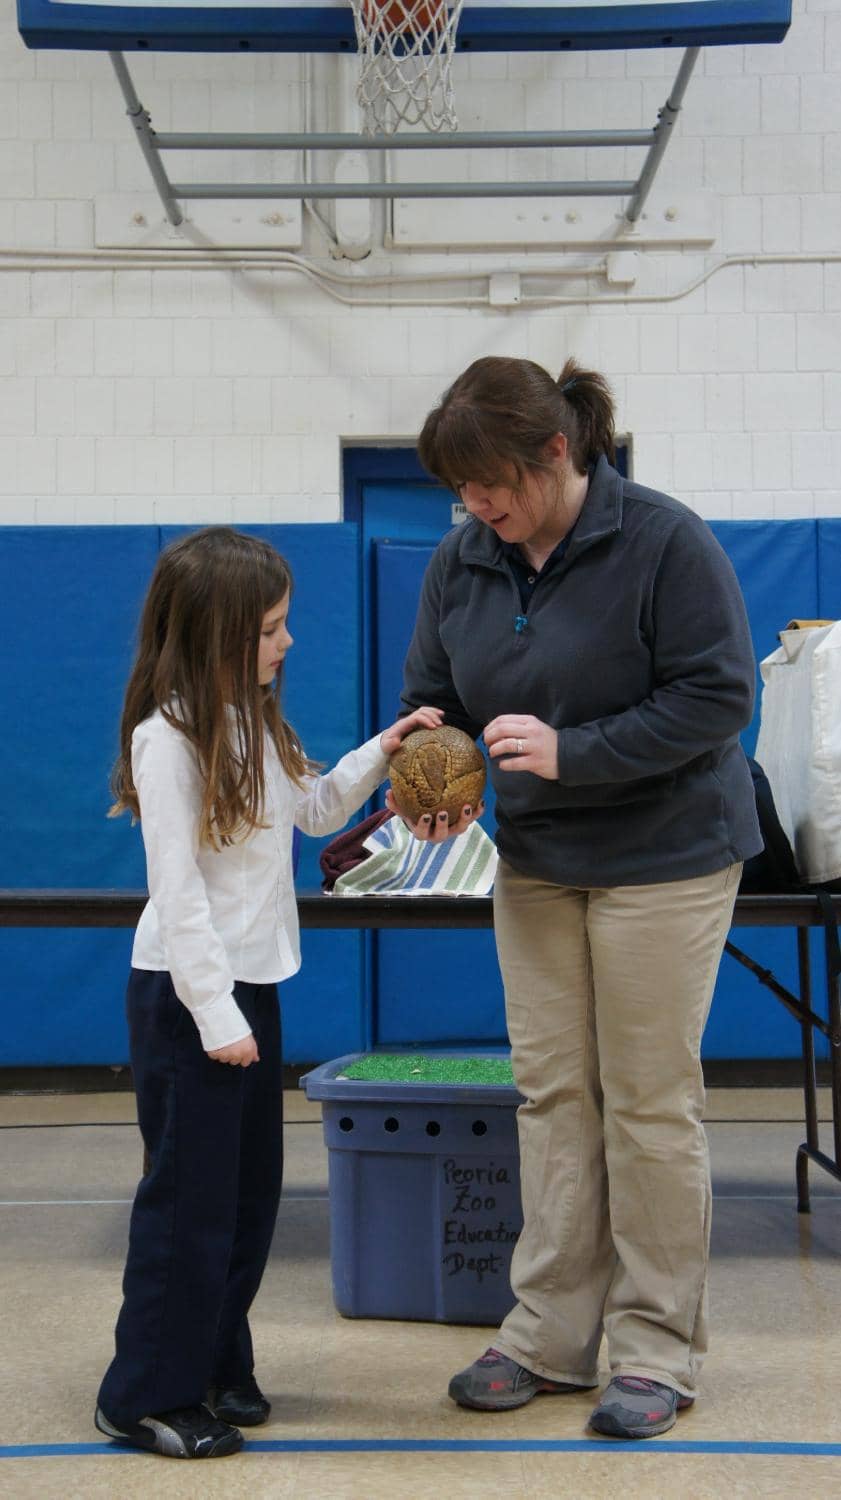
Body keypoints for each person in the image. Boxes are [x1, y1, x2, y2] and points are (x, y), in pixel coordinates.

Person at [398, 355, 762, 1440]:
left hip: (666, 853)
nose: (475, 508)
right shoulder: (462, 560)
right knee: (554, 1098)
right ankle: (548, 1334)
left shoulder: (660, 539)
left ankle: (655, 1350)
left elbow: (717, 695)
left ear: (554, 451)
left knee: (646, 1102)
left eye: (488, 484)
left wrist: (574, 752)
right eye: (459, 492)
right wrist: (437, 766)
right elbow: (435, 697)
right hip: (539, 861)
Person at [95, 526, 446, 1460]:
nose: (286, 643)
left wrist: (388, 744)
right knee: (189, 1204)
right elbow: (177, 894)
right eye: (270, 628)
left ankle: (215, 1363)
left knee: (250, 1199)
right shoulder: (165, 739)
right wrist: (215, 1017)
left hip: (248, 992)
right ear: (215, 634)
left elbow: (318, 808)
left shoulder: (253, 721)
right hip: (188, 997)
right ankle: (145, 1395)